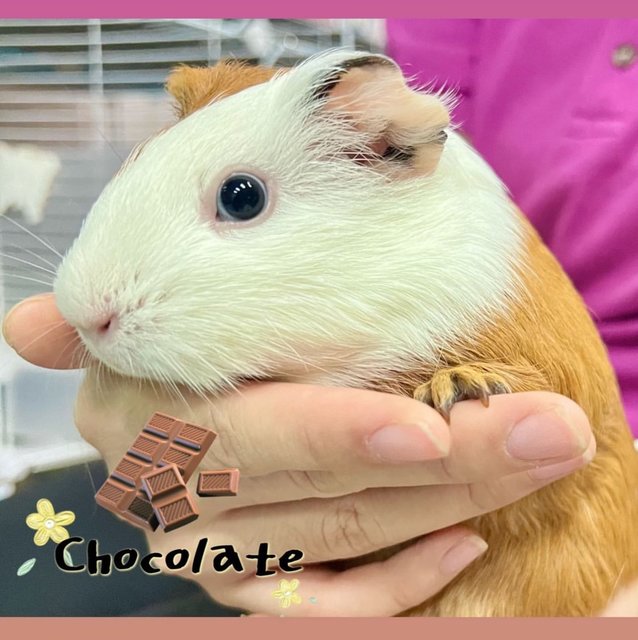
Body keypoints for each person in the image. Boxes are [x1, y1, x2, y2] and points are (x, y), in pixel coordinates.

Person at [2, 19, 636, 615]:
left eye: (241, 199)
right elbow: (157, 484)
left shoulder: (487, 287)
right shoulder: (467, 27)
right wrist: (174, 480)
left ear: (379, 151)